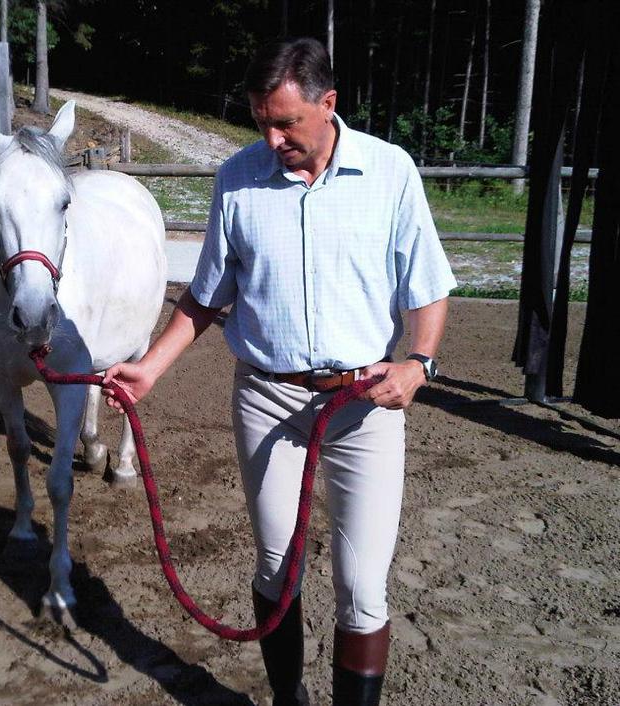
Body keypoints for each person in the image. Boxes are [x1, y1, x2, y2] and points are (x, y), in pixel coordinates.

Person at [103, 37, 456, 706]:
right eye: (261, 122)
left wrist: (418, 362)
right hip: (267, 399)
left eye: (286, 123)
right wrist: (150, 367)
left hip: (364, 406)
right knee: (276, 564)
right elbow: (206, 296)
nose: (271, 139)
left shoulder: (389, 171)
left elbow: (427, 286)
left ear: (328, 103)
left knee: (362, 587)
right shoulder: (237, 178)